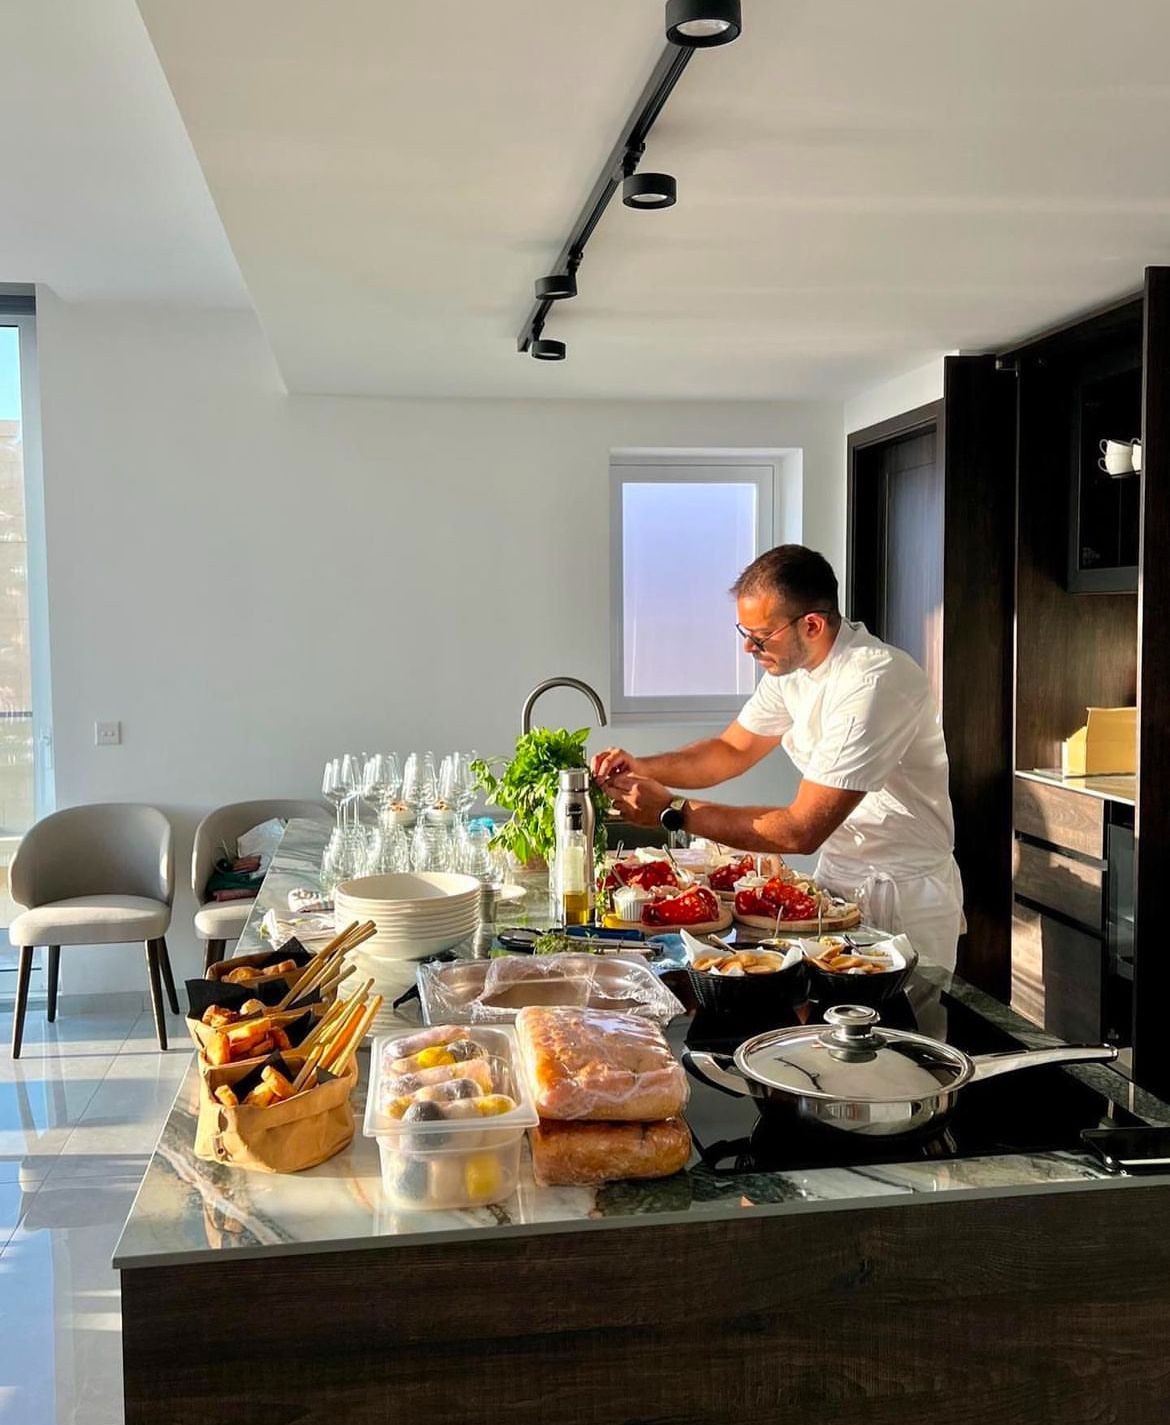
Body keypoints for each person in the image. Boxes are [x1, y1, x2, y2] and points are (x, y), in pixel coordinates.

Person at [592, 544, 964, 970]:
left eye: (760, 636)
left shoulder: (874, 681)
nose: (748, 648)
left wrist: (673, 811)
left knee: (899, 1030)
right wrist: (641, 766)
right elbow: (730, 751)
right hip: (838, 879)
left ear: (812, 625)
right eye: (744, 632)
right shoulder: (791, 671)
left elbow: (801, 829)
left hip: (903, 895)